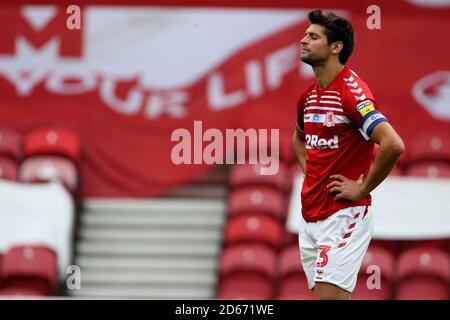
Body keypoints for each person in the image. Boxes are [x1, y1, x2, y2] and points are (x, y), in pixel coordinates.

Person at [292, 9, 404, 300]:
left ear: (335, 47)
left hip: (343, 215)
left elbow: (393, 144)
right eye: (305, 35)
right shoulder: (308, 96)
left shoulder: (353, 94)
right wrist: (313, 175)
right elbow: (298, 140)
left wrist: (363, 187)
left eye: (313, 36)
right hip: (311, 216)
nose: (303, 41)